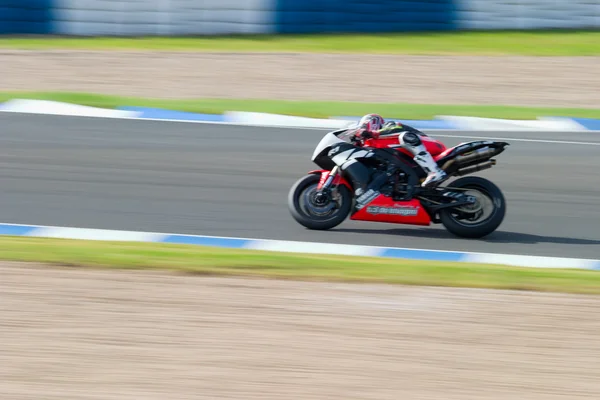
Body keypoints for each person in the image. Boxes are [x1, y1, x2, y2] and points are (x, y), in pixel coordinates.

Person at [351, 113, 447, 188]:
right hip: (416, 160)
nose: (361, 130)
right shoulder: (376, 142)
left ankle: (435, 172)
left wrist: (371, 132)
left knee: (404, 137)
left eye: (363, 126)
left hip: (431, 145)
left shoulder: (389, 126)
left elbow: (395, 128)